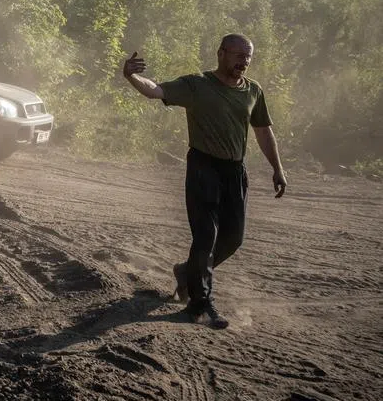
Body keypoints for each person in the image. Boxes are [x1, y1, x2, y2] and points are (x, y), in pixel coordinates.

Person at [122, 34, 287, 329]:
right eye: (238, 55)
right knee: (206, 235)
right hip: (203, 167)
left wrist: (278, 168)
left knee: (233, 238)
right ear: (221, 53)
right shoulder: (197, 85)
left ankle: (187, 272)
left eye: (248, 56)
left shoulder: (253, 90)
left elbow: (263, 131)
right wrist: (131, 76)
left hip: (235, 171)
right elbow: (155, 90)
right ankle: (200, 304)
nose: (244, 62)